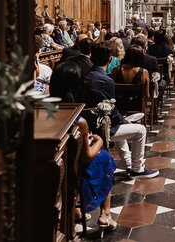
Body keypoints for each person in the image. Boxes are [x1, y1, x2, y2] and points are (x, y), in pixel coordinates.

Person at [49, 61, 117, 230]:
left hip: (51, 160)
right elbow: (86, 156)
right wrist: (100, 141)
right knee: (105, 157)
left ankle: (77, 211)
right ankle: (105, 215)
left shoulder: (43, 109)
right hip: (72, 168)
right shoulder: (79, 120)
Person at [82, 44, 159, 179]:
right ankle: (137, 169)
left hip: (86, 123)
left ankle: (129, 164)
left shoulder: (86, 76)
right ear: (110, 59)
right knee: (140, 130)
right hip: (100, 128)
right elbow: (111, 110)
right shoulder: (106, 80)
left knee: (120, 124)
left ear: (91, 58)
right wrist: (124, 120)